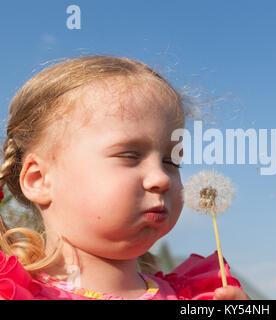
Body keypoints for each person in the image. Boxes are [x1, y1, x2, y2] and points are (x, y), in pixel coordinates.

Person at [0, 56, 248, 300]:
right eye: (130, 155)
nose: (161, 178)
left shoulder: (201, 297)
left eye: (170, 161)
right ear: (38, 179)